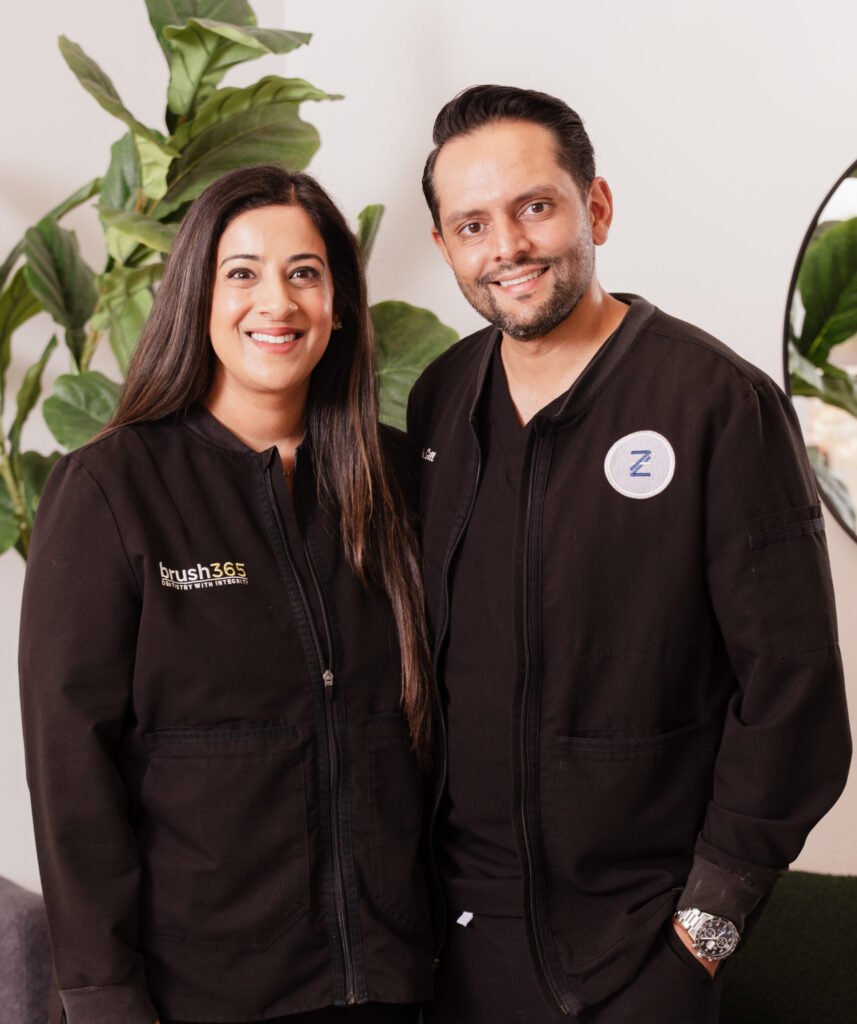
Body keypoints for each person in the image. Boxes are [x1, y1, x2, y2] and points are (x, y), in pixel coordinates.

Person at [407, 85, 852, 1023]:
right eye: (473, 225)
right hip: (453, 942)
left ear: (595, 207)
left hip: (638, 950)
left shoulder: (717, 403)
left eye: (534, 206)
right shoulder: (440, 400)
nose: (507, 247)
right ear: (445, 246)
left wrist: (703, 932)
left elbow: (793, 699)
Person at [20, 164, 434, 1024]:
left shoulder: (396, 480)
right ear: (197, 298)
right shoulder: (111, 489)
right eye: (241, 272)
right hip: (197, 997)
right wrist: (101, 997)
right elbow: (71, 773)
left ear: (340, 304)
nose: (275, 302)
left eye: (304, 272)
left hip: (394, 980)